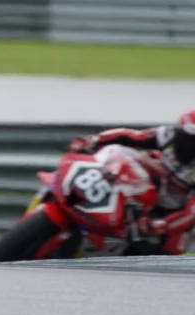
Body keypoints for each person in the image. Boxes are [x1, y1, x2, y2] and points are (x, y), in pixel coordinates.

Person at [67, 108, 195, 255]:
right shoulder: (168, 134)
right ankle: (73, 198)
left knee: (172, 252)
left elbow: (191, 213)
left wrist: (160, 225)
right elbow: (130, 136)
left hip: (169, 211)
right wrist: (93, 140)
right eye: (189, 138)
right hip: (142, 185)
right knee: (118, 156)